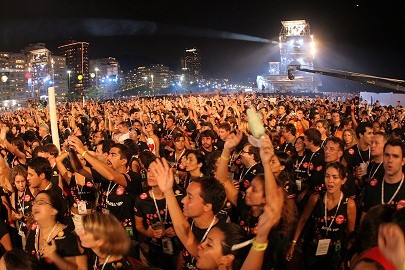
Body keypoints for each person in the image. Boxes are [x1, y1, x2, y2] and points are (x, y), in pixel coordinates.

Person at [149, 157, 283, 270]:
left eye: (209, 244)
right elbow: (185, 233)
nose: (199, 244)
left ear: (226, 260)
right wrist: (167, 191)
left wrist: (261, 238)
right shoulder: (202, 242)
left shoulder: (225, 231)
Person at [287, 162, 357, 270]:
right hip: (313, 247)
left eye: (335, 177)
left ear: (343, 180)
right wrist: (293, 243)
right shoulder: (316, 198)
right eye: (327, 176)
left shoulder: (349, 204)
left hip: (335, 252)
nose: (330, 181)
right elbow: (303, 220)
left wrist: (346, 258)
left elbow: (350, 234)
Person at [25, 190, 86, 270]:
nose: (35, 206)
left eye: (41, 202)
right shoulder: (33, 232)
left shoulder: (68, 236)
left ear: (54, 211)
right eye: (34, 202)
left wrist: (55, 257)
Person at [10, 165, 35, 248]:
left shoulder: (31, 189)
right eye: (18, 182)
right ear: (13, 182)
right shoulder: (14, 195)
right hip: (24, 230)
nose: (21, 185)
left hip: (35, 227)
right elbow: (12, 216)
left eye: (23, 181)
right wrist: (16, 216)